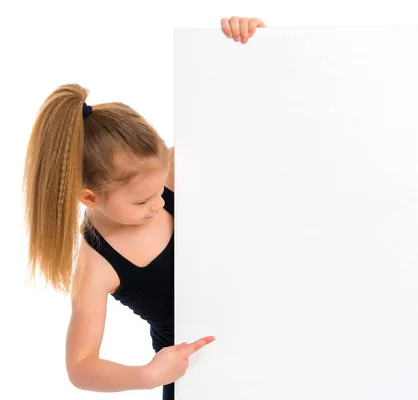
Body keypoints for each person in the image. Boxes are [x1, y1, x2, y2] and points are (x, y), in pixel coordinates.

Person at [21, 16, 267, 400]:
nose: (158, 203)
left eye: (160, 187)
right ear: (90, 197)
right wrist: (149, 375)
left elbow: (238, 114)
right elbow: (81, 367)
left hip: (269, 353)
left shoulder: (163, 172)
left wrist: (250, 46)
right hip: (202, 382)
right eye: (140, 201)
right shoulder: (97, 264)